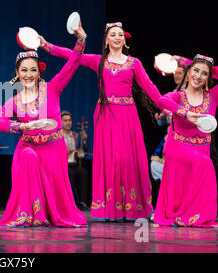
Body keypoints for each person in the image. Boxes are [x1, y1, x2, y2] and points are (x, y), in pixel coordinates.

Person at [40, 22, 162, 221]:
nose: (116, 37)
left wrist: (167, 107)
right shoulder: (99, 61)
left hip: (127, 115)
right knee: (111, 158)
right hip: (106, 114)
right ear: (106, 39)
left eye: (120, 34)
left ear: (124, 39)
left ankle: (133, 206)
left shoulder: (134, 63)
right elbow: (72, 56)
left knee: (127, 158)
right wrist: (47, 45)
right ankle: (111, 207)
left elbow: (150, 87)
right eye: (112, 34)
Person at [0, 25, 88, 228]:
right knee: (28, 158)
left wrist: (81, 41)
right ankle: (31, 214)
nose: (28, 74)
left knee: (57, 202)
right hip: (28, 146)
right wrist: (23, 126)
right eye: (24, 70)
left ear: (39, 71)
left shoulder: (52, 89)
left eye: (33, 70)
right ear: (17, 73)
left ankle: (50, 214)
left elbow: (72, 65)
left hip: (53, 148)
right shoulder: (15, 100)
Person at [154, 54, 218, 228]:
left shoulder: (212, 95)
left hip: (201, 147)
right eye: (195, 71)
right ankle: (184, 216)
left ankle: (193, 217)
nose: (198, 76)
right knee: (206, 165)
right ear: (188, 73)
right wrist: (185, 113)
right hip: (179, 147)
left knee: (202, 167)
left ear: (208, 78)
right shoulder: (178, 96)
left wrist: (189, 62)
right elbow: (161, 100)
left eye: (204, 74)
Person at [61, 111, 89, 210]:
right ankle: (73, 203)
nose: (68, 122)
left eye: (69, 120)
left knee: (84, 173)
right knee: (70, 174)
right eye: (65, 121)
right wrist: (65, 153)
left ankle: (83, 202)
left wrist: (84, 141)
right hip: (63, 165)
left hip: (74, 163)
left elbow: (84, 152)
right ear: (61, 122)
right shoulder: (59, 136)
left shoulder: (76, 135)